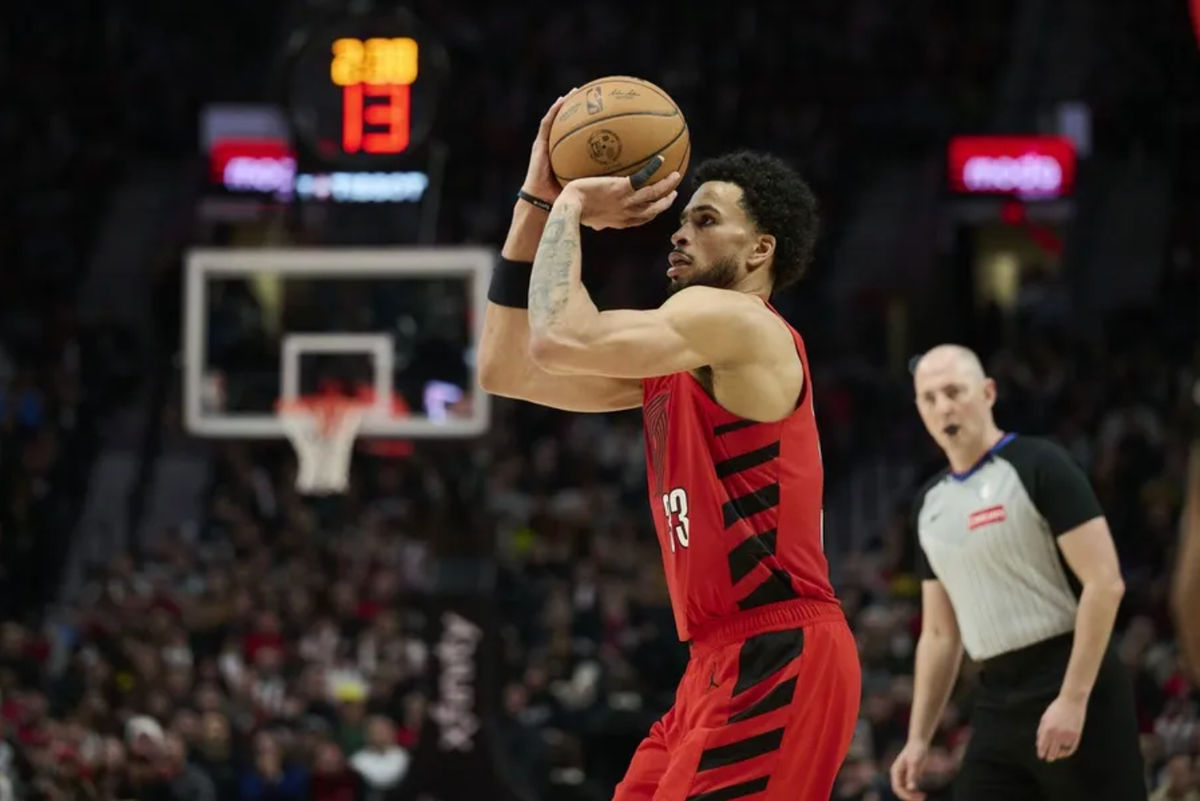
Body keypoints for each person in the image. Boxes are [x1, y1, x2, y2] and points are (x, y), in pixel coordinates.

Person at [478, 94, 860, 801]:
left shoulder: (737, 320)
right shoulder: (679, 354)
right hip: (717, 658)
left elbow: (560, 334)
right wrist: (536, 196)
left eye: (705, 220)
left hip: (778, 650)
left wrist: (572, 206)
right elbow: (505, 366)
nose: (678, 234)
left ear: (760, 250)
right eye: (681, 219)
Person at [889, 344, 1145, 801]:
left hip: (1072, 676)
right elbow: (939, 635)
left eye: (954, 391)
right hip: (996, 697)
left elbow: (1105, 582)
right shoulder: (929, 504)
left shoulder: (1039, 464)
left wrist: (1073, 699)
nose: (943, 406)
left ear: (988, 392)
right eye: (929, 398)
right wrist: (918, 738)